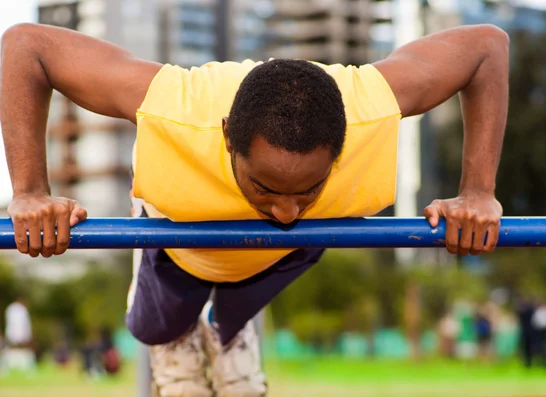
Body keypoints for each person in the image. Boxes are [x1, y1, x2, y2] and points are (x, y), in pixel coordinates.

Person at [1, 22, 508, 396]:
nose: (286, 209)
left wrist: (478, 191)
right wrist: (29, 190)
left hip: (282, 256)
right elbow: (26, 47)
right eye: (265, 187)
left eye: (307, 188)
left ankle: (230, 330)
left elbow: (487, 46)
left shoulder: (371, 105)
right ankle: (181, 333)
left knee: (267, 283)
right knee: (163, 337)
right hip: (180, 234)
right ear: (226, 139)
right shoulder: (173, 105)